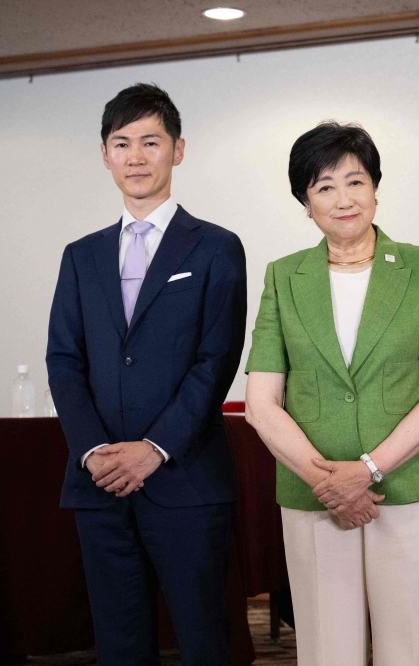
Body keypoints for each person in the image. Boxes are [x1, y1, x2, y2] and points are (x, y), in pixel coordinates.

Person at [244, 121, 419, 666]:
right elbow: (261, 403)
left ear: (375, 188)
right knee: (327, 650)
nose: (343, 199)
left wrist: (364, 471)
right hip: (313, 494)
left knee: (413, 647)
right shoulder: (283, 276)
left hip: (409, 486)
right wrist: (329, 482)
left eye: (355, 181)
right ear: (305, 201)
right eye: (324, 186)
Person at [45, 83, 247, 666]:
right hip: (99, 484)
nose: (136, 156)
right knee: (119, 645)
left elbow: (216, 360)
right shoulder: (80, 255)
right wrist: (93, 452)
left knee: (204, 640)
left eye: (150, 142)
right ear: (105, 155)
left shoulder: (215, 248)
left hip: (185, 483)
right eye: (122, 143)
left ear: (177, 150)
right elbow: (64, 360)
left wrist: (154, 449)